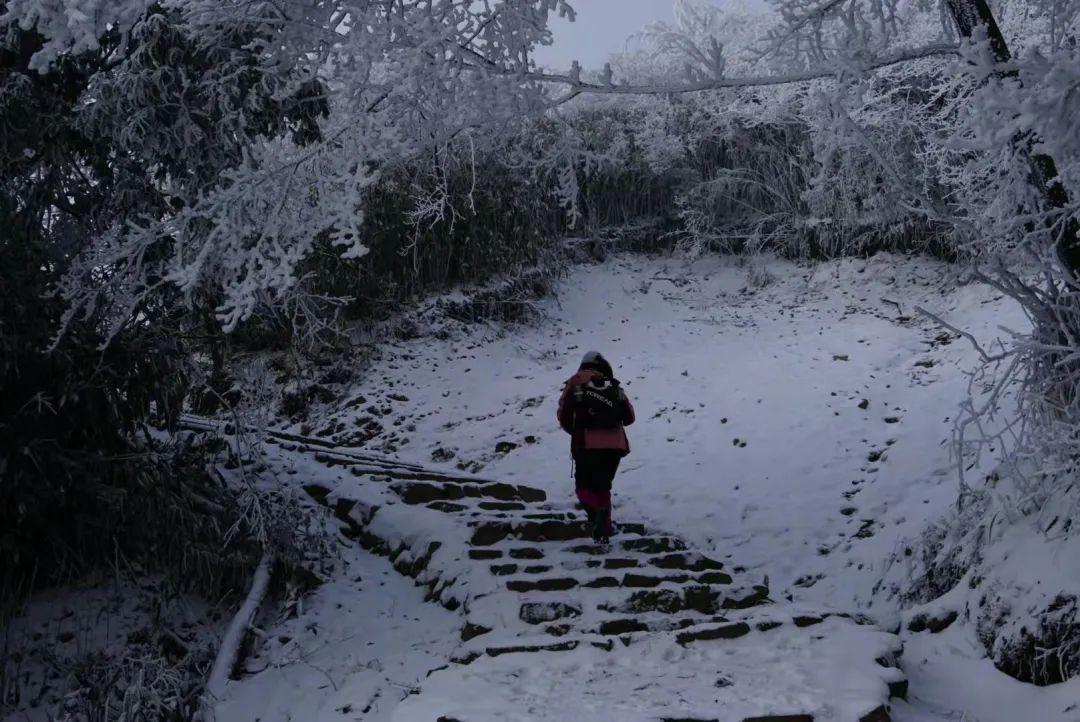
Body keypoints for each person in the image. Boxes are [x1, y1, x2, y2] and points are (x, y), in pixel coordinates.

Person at [556, 350, 635, 543]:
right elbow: (630, 417)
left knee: (583, 486)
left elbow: (564, 414)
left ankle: (595, 512)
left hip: (586, 443)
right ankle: (605, 529)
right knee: (603, 487)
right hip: (614, 446)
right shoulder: (613, 386)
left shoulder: (576, 381)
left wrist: (575, 431)